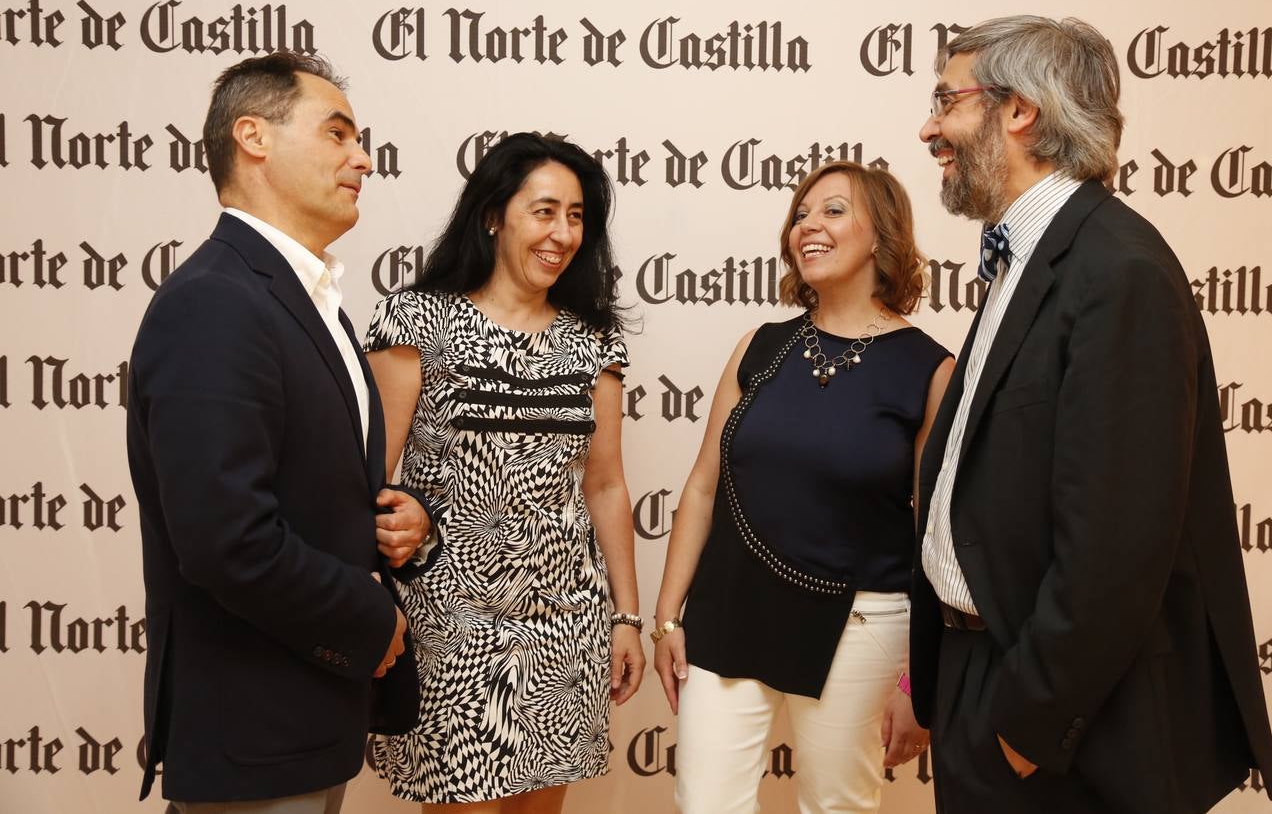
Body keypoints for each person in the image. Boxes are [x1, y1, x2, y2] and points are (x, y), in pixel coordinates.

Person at [910, 15, 1272, 813]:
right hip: (986, 681)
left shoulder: (1120, 272)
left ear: (1020, 112)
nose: (928, 128)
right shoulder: (1030, 258)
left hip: (1065, 732)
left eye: (947, 101)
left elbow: (1117, 547)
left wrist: (1025, 727)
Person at [126, 52, 439, 813]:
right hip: (253, 726)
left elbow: (308, 482)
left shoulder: (307, 298)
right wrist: (371, 619)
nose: (362, 157)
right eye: (337, 133)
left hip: (306, 715)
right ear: (254, 137)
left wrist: (393, 522)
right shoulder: (216, 301)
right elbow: (225, 538)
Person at [651, 160, 955, 814]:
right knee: (705, 805)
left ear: (882, 234)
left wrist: (917, 678)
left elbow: (936, 540)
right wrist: (669, 615)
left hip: (860, 621)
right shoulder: (759, 347)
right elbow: (703, 486)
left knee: (836, 807)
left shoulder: (929, 369)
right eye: (800, 213)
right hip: (731, 607)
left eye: (833, 210)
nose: (807, 225)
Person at [363, 132, 644, 813]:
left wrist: (626, 617)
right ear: (493, 214)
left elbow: (604, 484)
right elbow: (369, 475)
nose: (562, 233)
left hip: (564, 624)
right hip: (453, 624)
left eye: (576, 216)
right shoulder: (417, 320)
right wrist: (364, 594)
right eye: (545, 211)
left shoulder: (592, 340)